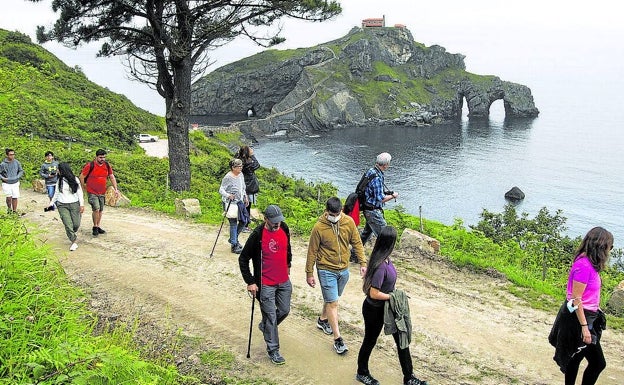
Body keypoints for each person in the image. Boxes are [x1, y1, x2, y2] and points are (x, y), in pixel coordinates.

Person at [356, 226, 427, 385]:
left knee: (402, 340)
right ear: (390, 243)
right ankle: (362, 372)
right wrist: (393, 297)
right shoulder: (381, 264)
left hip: (388, 308)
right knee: (370, 340)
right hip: (374, 309)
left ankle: (409, 377)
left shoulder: (385, 258)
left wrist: (394, 297)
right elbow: (374, 293)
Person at [549, 227, 612, 385]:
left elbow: (585, 295)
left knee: (575, 357)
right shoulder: (584, 265)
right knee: (598, 363)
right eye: (609, 246)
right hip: (578, 319)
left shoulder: (589, 264)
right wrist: (585, 327)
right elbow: (576, 298)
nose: (610, 251)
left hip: (585, 315)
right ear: (600, 246)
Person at [306, 197, 367, 355]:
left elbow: (357, 243)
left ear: (341, 210)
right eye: (332, 214)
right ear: (327, 212)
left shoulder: (348, 222)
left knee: (331, 298)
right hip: (326, 269)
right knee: (333, 303)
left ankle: (322, 320)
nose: (335, 216)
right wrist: (309, 273)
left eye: (337, 213)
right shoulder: (319, 227)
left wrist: (363, 263)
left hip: (344, 269)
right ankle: (337, 339)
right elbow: (312, 251)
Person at [238, 204, 292, 365]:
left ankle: (266, 326)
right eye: (274, 221)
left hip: (283, 280)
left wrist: (289, 264)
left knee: (284, 310)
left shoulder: (284, 228)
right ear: (265, 219)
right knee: (271, 316)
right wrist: (251, 282)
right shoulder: (257, 235)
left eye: (279, 221)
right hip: (266, 283)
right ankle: (273, 350)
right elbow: (243, 259)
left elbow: (287, 247)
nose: (277, 224)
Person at [359, 152, 398, 247]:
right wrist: (393, 196)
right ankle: (381, 258)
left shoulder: (371, 171)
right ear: (386, 165)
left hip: (367, 207)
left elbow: (373, 191)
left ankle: (354, 254)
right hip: (372, 211)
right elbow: (380, 199)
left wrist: (387, 193)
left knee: (366, 233)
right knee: (384, 235)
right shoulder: (376, 178)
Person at [79, 149, 119, 236]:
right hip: (92, 191)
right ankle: (95, 226)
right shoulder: (90, 165)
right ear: (96, 157)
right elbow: (82, 176)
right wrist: (82, 187)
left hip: (102, 192)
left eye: (104, 157)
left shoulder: (107, 165)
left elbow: (112, 177)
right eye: (101, 157)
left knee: (100, 210)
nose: (103, 159)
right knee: (96, 209)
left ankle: (97, 226)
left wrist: (116, 189)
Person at [47, 163, 84, 251]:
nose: (57, 171)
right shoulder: (59, 180)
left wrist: (82, 204)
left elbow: (79, 192)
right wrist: (51, 203)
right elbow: (56, 193)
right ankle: (73, 241)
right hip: (62, 204)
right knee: (68, 224)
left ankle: (71, 232)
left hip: (74, 203)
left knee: (76, 224)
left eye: (58, 169)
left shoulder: (75, 179)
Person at [219, 158, 249, 253]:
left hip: (239, 202)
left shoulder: (241, 175)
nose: (240, 168)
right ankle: (234, 245)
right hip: (230, 203)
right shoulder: (228, 177)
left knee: (244, 221)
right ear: (233, 167)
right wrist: (228, 195)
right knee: (233, 223)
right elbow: (221, 190)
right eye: (238, 167)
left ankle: (233, 239)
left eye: (241, 166)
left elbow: (243, 187)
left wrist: (245, 197)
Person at [237, 145, 260, 232]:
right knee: (247, 207)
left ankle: (244, 224)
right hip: (248, 188)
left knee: (243, 207)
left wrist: (240, 152)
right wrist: (252, 155)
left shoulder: (239, 162)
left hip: (242, 187)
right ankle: (244, 225)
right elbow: (257, 165)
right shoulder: (248, 163)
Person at [1, 148, 24, 214]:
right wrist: (3, 178)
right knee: (9, 197)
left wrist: (18, 176)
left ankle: (14, 211)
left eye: (13, 154)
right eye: (11, 155)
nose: (12, 156)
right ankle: (9, 209)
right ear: (7, 155)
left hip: (15, 182)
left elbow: (21, 171)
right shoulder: (3, 164)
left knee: (15, 196)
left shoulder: (17, 162)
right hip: (6, 183)